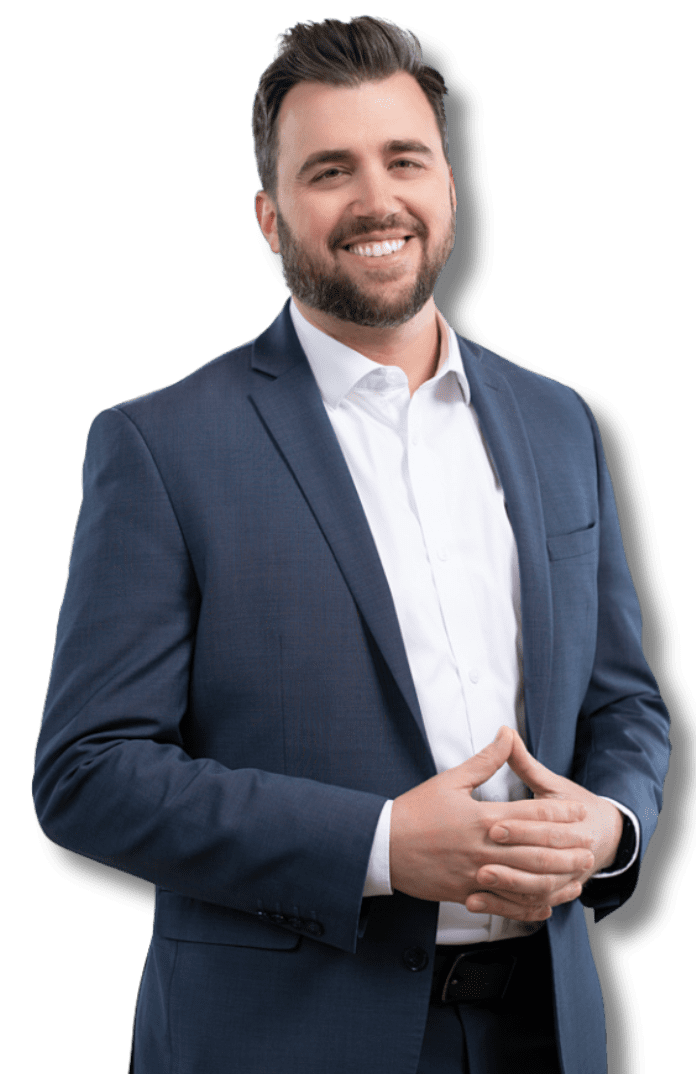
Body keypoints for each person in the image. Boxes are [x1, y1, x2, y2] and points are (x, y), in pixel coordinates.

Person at [33, 17, 670, 1074]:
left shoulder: (561, 422)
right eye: (331, 170)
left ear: (451, 189)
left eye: (404, 160)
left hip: (548, 1031)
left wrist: (608, 826)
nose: (377, 200)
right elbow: (89, 774)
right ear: (270, 218)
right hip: (284, 1037)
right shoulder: (158, 445)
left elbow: (626, 703)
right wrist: (376, 848)